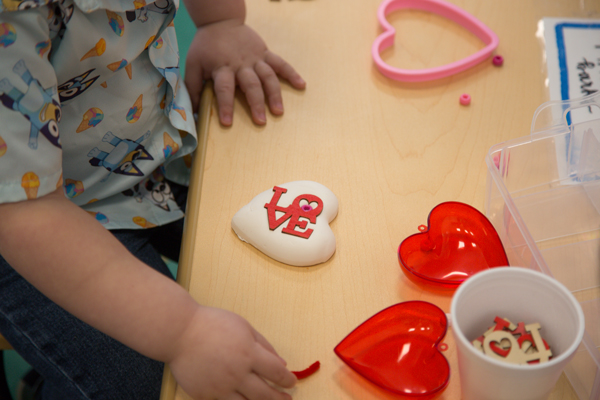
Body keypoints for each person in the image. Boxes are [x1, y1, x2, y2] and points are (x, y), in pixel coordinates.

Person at [0, 0, 305, 398]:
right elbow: (29, 218)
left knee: (266, 273)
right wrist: (183, 330)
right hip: (29, 224)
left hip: (140, 149)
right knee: (149, 383)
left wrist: (221, 22)